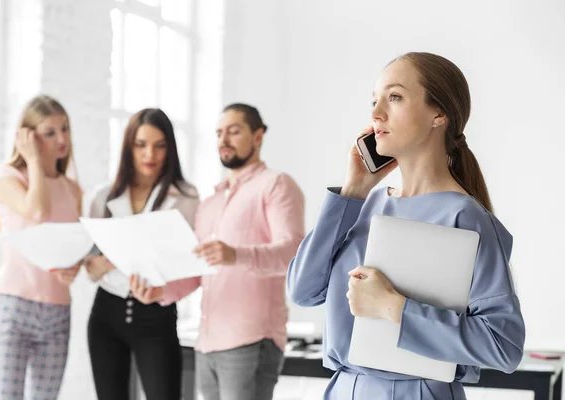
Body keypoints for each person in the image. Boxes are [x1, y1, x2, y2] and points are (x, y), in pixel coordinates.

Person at [287, 52, 526, 400]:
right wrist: (353, 192)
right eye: (374, 100)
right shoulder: (367, 203)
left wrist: (392, 307)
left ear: (439, 114)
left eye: (394, 97)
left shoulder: (465, 218)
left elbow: (503, 346)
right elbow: (303, 291)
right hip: (344, 390)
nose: (375, 114)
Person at [189, 103, 305, 400]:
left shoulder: (276, 185)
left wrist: (236, 255)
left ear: (258, 136)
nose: (223, 139)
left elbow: (293, 253)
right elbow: (198, 269)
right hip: (206, 342)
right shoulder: (210, 203)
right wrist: (158, 289)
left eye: (233, 131)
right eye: (218, 133)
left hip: (251, 338)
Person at [85, 108, 200, 400]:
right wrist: (116, 255)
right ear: (129, 148)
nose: (150, 154)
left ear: (170, 149)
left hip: (156, 315)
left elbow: (190, 264)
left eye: (160, 145)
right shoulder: (104, 197)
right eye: (141, 144)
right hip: (106, 315)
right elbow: (91, 269)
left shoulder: (186, 197)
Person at [0, 95, 83, 400]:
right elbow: (37, 212)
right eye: (50, 132)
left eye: (64, 129)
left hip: (57, 312)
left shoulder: (72, 190)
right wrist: (33, 162)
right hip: (14, 308)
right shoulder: (8, 178)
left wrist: (74, 268)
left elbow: (73, 247)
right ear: (28, 136)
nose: (62, 138)